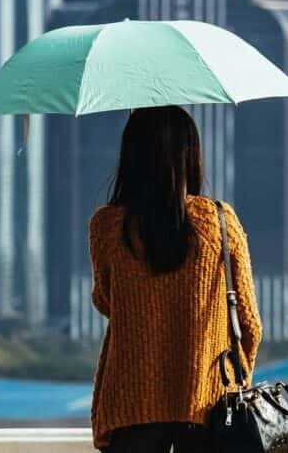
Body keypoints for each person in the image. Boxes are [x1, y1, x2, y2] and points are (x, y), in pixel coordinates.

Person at [89, 105, 262, 452]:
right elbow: (250, 325)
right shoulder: (220, 221)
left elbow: (107, 301)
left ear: (131, 156)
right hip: (208, 412)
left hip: (129, 407)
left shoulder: (107, 225)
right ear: (191, 156)